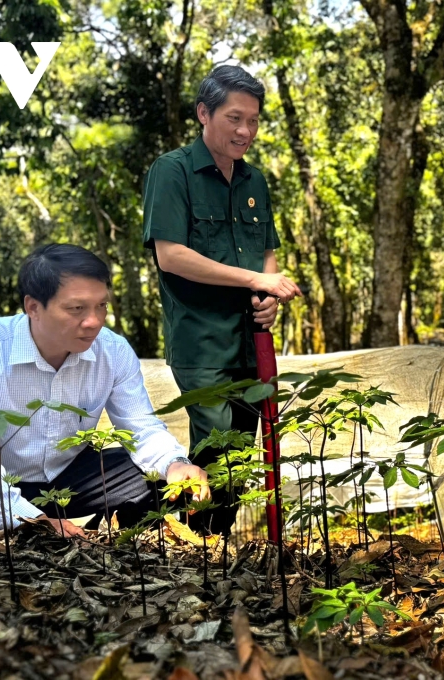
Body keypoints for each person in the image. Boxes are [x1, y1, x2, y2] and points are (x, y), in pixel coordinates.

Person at [0, 245, 209, 538]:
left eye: (101, 305)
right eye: (76, 308)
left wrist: (175, 463)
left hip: (73, 477)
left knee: (168, 484)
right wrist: (33, 520)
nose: (93, 321)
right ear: (33, 307)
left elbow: (141, 428)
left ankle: (99, 543)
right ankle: (46, 536)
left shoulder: (113, 351)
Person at [142, 65, 302, 537]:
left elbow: (266, 251)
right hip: (201, 340)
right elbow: (171, 257)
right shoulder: (172, 172)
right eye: (235, 118)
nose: (245, 131)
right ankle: (193, 543)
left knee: (241, 455)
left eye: (253, 120)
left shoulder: (254, 181)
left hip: (251, 342)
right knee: (215, 446)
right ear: (203, 114)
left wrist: (267, 293)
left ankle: (215, 545)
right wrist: (256, 278)